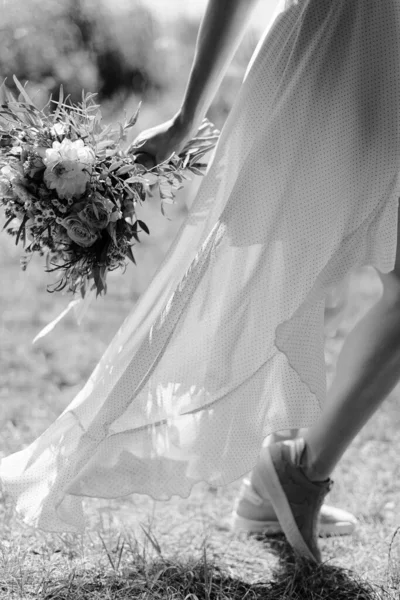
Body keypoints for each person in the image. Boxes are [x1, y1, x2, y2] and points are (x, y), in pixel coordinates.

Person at [1, 0, 400, 564]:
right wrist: (189, 116)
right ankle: (293, 473)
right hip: (337, 57)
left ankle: (284, 479)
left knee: (313, 282)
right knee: (281, 279)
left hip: (378, 61)